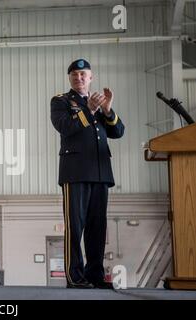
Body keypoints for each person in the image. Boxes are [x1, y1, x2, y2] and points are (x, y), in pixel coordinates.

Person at [50, 59, 125, 289]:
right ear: (70, 78)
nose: (78, 77)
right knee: (75, 226)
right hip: (75, 172)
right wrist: (89, 109)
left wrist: (107, 109)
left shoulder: (99, 102)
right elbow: (65, 127)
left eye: (83, 74)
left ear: (91, 77)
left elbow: (118, 131)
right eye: (74, 74)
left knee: (97, 227)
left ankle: (95, 275)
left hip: (100, 172)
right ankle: (75, 276)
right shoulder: (61, 101)